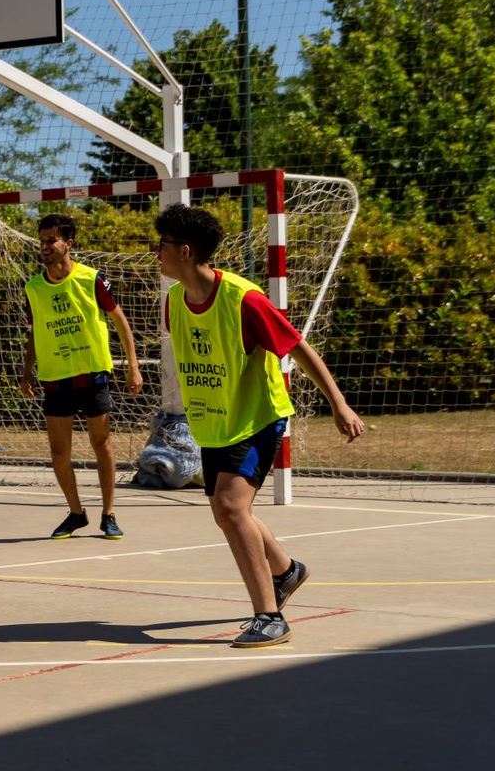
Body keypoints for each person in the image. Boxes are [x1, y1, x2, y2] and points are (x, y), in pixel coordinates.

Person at [154, 203, 364, 648]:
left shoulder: (244, 299)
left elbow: (299, 348)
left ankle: (270, 617)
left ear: (186, 251)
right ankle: (286, 571)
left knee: (230, 508)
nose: (157, 252)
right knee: (229, 512)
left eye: (163, 244)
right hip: (216, 423)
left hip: (256, 418)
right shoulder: (175, 301)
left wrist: (339, 404)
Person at [21, 214, 143, 540]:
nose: (45, 246)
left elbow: (120, 321)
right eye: (42, 240)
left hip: (92, 374)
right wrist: (26, 371)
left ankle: (109, 513)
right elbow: (35, 334)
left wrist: (133, 365)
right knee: (59, 453)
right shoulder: (33, 288)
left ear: (68, 243)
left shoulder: (92, 279)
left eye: (51, 240)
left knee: (101, 443)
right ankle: (76, 512)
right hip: (55, 378)